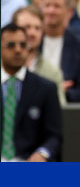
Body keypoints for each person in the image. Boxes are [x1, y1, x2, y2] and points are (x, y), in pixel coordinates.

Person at [0, 24, 62, 162]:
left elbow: (55, 136)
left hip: (28, 162)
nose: (18, 50)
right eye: (10, 45)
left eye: (23, 45)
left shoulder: (46, 88)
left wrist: (43, 153)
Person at [36, 0, 80, 104]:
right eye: (47, 5)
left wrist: (61, 91)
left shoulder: (79, 46)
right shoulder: (31, 41)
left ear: (69, 12)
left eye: (57, 6)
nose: (51, 10)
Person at [10, 8, 66, 104]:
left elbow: (59, 108)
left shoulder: (52, 73)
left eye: (38, 28)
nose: (33, 33)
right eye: (27, 27)